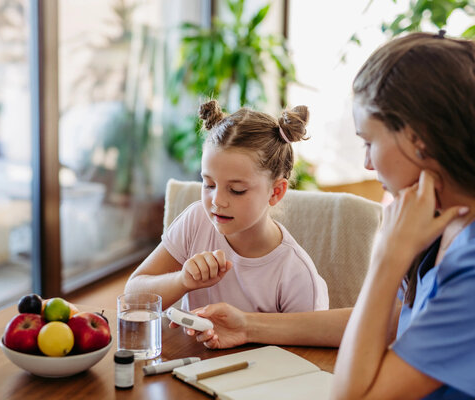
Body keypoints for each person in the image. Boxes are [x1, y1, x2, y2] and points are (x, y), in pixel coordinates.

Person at [185, 32, 475, 399]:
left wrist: (387, 259)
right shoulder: (441, 222)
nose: (367, 163)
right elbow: (398, 319)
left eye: (369, 142)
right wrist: (249, 325)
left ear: (420, 139)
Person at [125, 99, 329, 314]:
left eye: (237, 190)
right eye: (209, 184)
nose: (217, 201)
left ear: (276, 192)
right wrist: (182, 280)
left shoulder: (295, 273)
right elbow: (132, 298)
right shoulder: (197, 221)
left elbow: (307, 345)